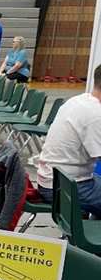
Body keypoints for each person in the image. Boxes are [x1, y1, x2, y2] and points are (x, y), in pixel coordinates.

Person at [37, 64, 101, 219]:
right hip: (65, 188)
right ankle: (88, 238)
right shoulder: (96, 115)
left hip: (52, 181)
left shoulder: (77, 101)